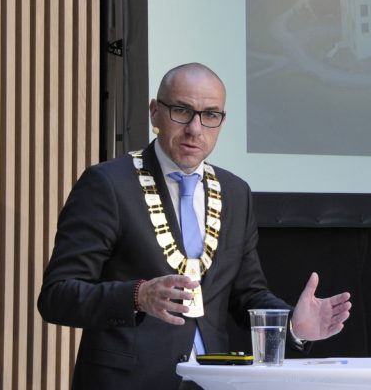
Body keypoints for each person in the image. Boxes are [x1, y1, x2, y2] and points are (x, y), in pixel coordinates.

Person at [38, 62, 351, 389]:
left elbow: (248, 294)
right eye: (181, 111)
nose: (195, 128)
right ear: (154, 112)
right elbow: (57, 296)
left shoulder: (235, 192)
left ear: (221, 121)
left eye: (210, 115)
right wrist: (138, 296)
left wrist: (292, 325)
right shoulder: (108, 185)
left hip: (212, 381)